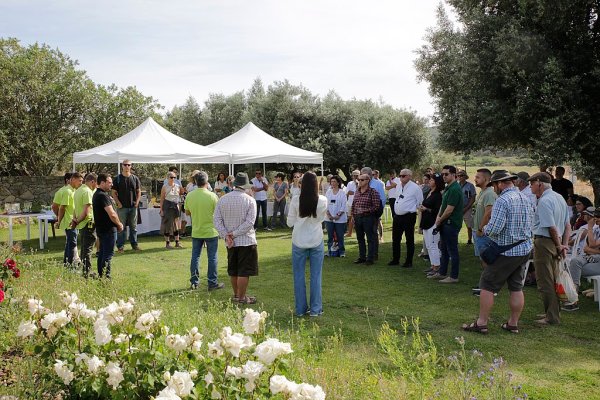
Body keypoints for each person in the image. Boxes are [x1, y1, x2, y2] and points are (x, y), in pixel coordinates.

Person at [462, 170, 533, 335]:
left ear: (500, 184)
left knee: (487, 284)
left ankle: (481, 323)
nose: (494, 189)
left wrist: (484, 228)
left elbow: (495, 228)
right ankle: (513, 324)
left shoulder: (503, 200)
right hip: (524, 249)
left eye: (494, 185)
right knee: (516, 287)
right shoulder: (524, 197)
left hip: (506, 251)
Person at [529, 172, 570, 325]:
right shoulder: (559, 198)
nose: (530, 187)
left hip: (545, 242)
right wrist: (563, 245)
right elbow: (567, 225)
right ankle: (552, 312)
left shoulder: (544, 201)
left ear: (539, 183)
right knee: (554, 278)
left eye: (532, 184)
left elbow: (551, 227)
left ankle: (551, 317)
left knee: (545, 280)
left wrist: (559, 245)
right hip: (556, 241)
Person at [214, 172, 259, 304]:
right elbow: (250, 223)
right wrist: (232, 234)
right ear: (245, 186)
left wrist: (226, 235)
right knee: (243, 271)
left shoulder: (223, 199)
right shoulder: (250, 200)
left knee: (234, 270)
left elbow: (216, 220)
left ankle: (237, 295)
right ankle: (242, 297)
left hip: (230, 242)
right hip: (246, 240)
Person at [287, 171, 328, 316]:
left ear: (302, 184)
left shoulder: (296, 200)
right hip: (316, 239)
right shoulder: (323, 200)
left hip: (299, 240)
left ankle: (300, 309)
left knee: (298, 276)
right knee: (316, 276)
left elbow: (289, 222)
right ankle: (315, 309)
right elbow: (321, 219)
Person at [185, 171, 225, 291]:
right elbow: (218, 213)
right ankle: (212, 283)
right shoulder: (212, 196)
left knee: (195, 257)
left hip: (197, 230)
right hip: (211, 231)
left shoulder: (190, 195)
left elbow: (187, 212)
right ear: (206, 182)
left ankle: (194, 282)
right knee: (212, 257)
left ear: (195, 182)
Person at [431, 165, 463, 283]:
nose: (443, 176)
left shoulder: (454, 189)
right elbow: (443, 205)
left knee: (452, 251)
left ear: (453, 175)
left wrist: (439, 220)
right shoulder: (449, 187)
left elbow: (449, 210)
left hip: (451, 224)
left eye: (446, 174)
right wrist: (438, 217)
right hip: (445, 223)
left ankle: (453, 277)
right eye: (442, 174)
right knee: (443, 249)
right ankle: (442, 273)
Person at [567, 207, 600, 311]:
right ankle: (573, 297)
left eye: (598, 216)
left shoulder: (592, 229)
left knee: (573, 267)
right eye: (595, 216)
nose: (596, 218)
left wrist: (589, 227)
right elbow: (586, 248)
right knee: (575, 262)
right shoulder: (597, 229)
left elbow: (592, 245)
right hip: (591, 257)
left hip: (597, 262)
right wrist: (593, 250)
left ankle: (573, 299)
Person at [388, 169, 423, 268]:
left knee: (409, 239)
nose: (401, 178)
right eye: (400, 176)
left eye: (403, 176)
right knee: (395, 238)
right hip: (397, 216)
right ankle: (395, 259)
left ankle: (408, 261)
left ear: (409, 176)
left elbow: (420, 202)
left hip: (409, 216)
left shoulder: (415, 188)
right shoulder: (399, 186)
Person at [92, 174, 123, 279]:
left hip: (101, 229)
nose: (111, 184)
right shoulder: (102, 195)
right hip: (108, 229)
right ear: (102, 183)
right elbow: (112, 214)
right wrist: (119, 224)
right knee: (107, 255)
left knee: (102, 253)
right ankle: (106, 278)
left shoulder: (97, 194)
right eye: (109, 182)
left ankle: (101, 276)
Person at [112, 160, 142, 252]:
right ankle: (120, 247)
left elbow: (139, 191)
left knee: (134, 228)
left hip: (133, 206)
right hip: (122, 207)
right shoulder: (117, 178)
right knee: (121, 227)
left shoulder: (135, 178)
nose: (127, 166)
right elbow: (113, 192)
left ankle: (134, 245)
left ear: (131, 166)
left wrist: (137, 202)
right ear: (122, 166)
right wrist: (118, 203)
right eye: (125, 165)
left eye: (128, 165)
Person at [352, 171, 381, 265]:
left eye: (362, 180)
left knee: (370, 238)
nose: (359, 181)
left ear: (368, 180)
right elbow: (354, 204)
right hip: (357, 217)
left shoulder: (373, 192)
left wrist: (365, 211)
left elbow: (376, 206)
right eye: (358, 180)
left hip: (368, 218)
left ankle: (370, 258)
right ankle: (362, 257)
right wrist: (353, 215)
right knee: (360, 238)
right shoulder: (357, 191)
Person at [72, 173, 97, 278]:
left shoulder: (78, 190)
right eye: (96, 183)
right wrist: (78, 220)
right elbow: (87, 211)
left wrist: (75, 220)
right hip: (88, 223)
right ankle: (87, 272)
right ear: (92, 182)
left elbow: (75, 208)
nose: (96, 186)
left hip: (81, 224)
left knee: (84, 247)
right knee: (88, 248)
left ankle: (85, 270)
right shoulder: (87, 192)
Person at [56, 172, 83, 266]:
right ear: (73, 179)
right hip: (69, 222)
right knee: (72, 244)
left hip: (74, 221)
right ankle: (70, 265)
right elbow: (62, 208)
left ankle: (66, 263)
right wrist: (59, 221)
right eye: (79, 181)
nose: (81, 183)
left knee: (69, 243)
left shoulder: (73, 190)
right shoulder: (68, 191)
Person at [420, 173, 444, 276]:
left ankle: (437, 267)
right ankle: (433, 265)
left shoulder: (438, 195)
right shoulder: (430, 192)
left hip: (433, 223)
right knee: (429, 245)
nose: (429, 181)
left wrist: (426, 209)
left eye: (432, 180)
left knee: (433, 245)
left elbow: (437, 211)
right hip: (426, 222)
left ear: (437, 182)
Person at [362, 167, 386, 257]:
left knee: (373, 233)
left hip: (373, 213)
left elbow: (382, 199)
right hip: (362, 213)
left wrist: (378, 212)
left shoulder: (378, 184)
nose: (361, 176)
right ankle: (363, 255)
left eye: (363, 174)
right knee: (364, 233)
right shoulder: (361, 183)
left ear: (369, 175)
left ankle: (374, 254)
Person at [160, 171, 185, 249]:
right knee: (167, 224)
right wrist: (161, 209)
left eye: (174, 177)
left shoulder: (177, 186)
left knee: (176, 224)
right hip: (167, 206)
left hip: (175, 206)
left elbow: (181, 194)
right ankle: (167, 243)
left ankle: (177, 242)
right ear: (168, 178)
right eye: (171, 177)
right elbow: (162, 199)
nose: (173, 179)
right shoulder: (165, 187)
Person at [325, 175, 347, 257]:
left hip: (340, 219)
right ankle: (329, 251)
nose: (332, 183)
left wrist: (338, 215)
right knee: (330, 236)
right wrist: (329, 215)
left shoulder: (342, 192)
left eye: (334, 181)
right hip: (329, 218)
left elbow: (343, 205)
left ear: (338, 183)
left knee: (340, 236)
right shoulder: (328, 192)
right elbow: (325, 204)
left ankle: (341, 252)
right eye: (331, 181)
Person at [457, 171, 476, 244]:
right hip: (457, 209)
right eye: (458, 175)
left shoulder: (470, 186)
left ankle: (469, 240)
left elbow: (473, 198)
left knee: (469, 226)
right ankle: (455, 240)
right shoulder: (456, 185)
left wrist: (466, 208)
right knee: (456, 226)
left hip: (467, 208)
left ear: (465, 176)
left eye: (461, 175)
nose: (459, 177)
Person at [345, 170, 360, 237]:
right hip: (351, 203)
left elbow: (361, 192)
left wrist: (357, 185)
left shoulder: (361, 183)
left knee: (358, 218)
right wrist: (356, 192)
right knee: (350, 218)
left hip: (359, 204)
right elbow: (348, 192)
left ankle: (359, 233)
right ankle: (349, 233)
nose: (355, 177)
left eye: (357, 175)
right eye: (354, 175)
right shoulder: (350, 183)